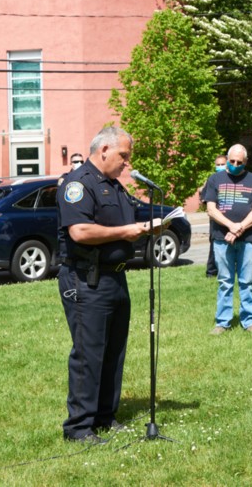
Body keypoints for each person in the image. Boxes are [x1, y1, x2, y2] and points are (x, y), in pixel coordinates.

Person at [57, 126, 162, 443]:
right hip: (86, 278)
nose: (127, 164)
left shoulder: (114, 187)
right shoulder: (78, 184)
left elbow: (127, 221)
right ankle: (79, 426)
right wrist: (126, 232)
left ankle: (104, 416)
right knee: (89, 353)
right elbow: (80, 232)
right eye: (123, 156)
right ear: (103, 150)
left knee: (114, 351)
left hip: (115, 277)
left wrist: (147, 227)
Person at [204, 144, 252, 335]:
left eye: (239, 162)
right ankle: (222, 322)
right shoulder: (215, 179)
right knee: (225, 281)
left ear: (245, 162)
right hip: (221, 239)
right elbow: (211, 209)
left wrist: (238, 228)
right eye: (232, 161)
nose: (235, 164)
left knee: (246, 281)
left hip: (248, 240)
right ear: (227, 159)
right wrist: (230, 226)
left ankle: (249, 321)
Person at [200, 155, 227, 277]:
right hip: (216, 219)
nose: (220, 167)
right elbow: (205, 198)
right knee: (215, 244)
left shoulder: (233, 179)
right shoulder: (212, 179)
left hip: (231, 218)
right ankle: (211, 271)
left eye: (222, 164)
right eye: (218, 164)